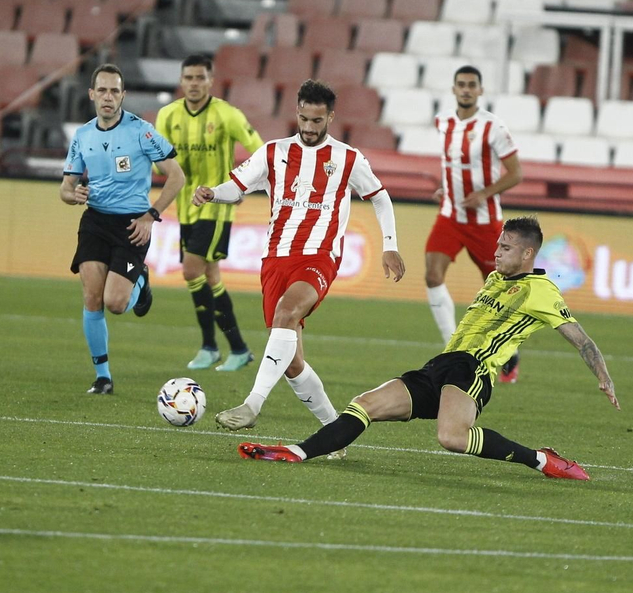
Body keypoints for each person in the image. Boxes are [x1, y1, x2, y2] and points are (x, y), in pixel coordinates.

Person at [239, 216, 618, 478]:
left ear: (527, 254)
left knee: (452, 437)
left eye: (505, 248)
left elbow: (582, 340)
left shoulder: (542, 291)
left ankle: (541, 460)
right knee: (365, 404)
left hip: (472, 370)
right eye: (498, 245)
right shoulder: (495, 279)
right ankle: (297, 452)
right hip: (440, 365)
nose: (497, 252)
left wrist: (603, 376)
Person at [192, 79, 404, 433]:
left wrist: (390, 244)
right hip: (275, 258)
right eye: (303, 119)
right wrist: (213, 193)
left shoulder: (347, 158)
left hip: (319, 256)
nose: (308, 127)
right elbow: (238, 187)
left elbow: (380, 197)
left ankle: (252, 403)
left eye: (316, 121)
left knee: (287, 311)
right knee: (291, 363)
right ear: (297, 113)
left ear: (330, 117)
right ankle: (336, 431)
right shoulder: (273, 152)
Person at [61, 63, 186, 395]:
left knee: (115, 303)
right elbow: (65, 188)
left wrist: (151, 215)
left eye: (114, 91)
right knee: (92, 298)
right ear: (92, 94)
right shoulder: (83, 135)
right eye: (102, 90)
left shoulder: (142, 131)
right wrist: (73, 195)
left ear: (123, 95)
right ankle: (103, 377)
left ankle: (140, 281)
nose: (108, 97)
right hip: (95, 221)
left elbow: (177, 176)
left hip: (132, 224)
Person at [155, 53, 266, 373]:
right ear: (181, 81)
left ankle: (211, 346)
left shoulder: (227, 114)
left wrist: (241, 185)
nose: (194, 83)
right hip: (186, 209)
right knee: (210, 276)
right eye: (188, 78)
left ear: (210, 81)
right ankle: (235, 349)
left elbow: (261, 152)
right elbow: (157, 161)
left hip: (216, 208)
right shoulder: (167, 116)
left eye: (200, 78)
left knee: (191, 271)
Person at [425, 65, 525, 383]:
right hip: (450, 216)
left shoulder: (493, 127)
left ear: (480, 90)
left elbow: (516, 173)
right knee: (432, 275)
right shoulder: (443, 122)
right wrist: (445, 188)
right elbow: (451, 164)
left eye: (472, 85)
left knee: (498, 290)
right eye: (461, 84)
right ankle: (452, 347)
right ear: (453, 89)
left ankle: (508, 351)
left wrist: (483, 193)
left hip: (485, 222)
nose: (466, 89)